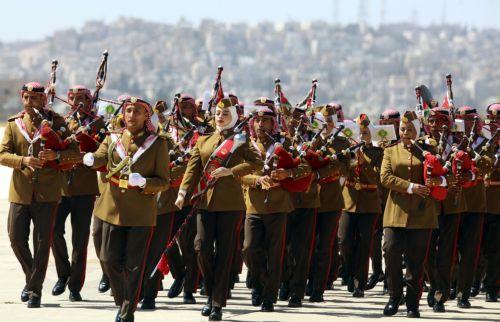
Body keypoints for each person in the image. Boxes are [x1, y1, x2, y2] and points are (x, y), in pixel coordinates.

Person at [174, 96, 263, 321]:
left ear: (232, 117)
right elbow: (192, 169)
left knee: (224, 252)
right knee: (201, 247)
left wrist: (231, 171)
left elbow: (257, 163)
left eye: (225, 114)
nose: (220, 117)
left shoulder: (241, 140)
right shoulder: (203, 140)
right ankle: (212, 291)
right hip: (204, 201)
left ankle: (216, 302)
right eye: (217, 114)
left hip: (230, 203)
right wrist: (183, 193)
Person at [83, 96, 170, 322]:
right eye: (128, 111)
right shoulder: (113, 138)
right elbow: (102, 156)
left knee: (134, 265)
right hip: (112, 208)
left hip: (140, 212)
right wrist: (92, 158)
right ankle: (124, 301)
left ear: (145, 117)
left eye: (137, 112)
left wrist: (145, 183)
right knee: (108, 259)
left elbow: (163, 181)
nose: (131, 115)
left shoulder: (158, 144)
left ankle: (127, 310)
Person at [0, 82, 80, 308]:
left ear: (44, 99)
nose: (29, 102)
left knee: (43, 243)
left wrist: (56, 155)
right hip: (20, 192)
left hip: (47, 193)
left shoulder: (58, 122)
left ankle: (35, 292)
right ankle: (32, 279)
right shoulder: (14, 124)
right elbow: (2, 154)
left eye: (34, 98)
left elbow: (75, 154)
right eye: (25, 97)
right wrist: (22, 161)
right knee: (16, 238)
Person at [241, 98, 310, 312]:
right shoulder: (245, 145)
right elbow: (239, 173)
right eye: (257, 120)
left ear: (273, 123)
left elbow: (305, 167)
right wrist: (257, 180)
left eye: (266, 121)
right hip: (253, 205)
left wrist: (287, 173)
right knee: (250, 249)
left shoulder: (285, 144)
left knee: (275, 252)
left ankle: (269, 296)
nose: (261, 124)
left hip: (279, 206)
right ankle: (259, 284)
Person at [380, 111, 439, 318]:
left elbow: (442, 176)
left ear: (418, 131)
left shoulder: (428, 151)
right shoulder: (390, 151)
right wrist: (411, 187)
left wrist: (436, 182)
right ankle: (395, 296)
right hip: (396, 211)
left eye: (411, 129)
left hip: (422, 214)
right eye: (403, 129)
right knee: (390, 251)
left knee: (416, 261)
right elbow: (385, 178)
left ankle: (412, 304)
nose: (406, 132)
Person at [51, 85, 105, 301]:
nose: (78, 102)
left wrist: (88, 142)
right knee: (54, 230)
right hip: (62, 186)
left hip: (84, 187)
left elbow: (102, 150)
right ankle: (63, 274)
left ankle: (75, 285)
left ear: (90, 101)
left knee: (80, 238)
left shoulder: (99, 123)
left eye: (82, 98)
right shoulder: (63, 121)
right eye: (74, 98)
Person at [307, 105, 350, 302]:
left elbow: (343, 167)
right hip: (309, 199)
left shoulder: (341, 143)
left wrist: (321, 173)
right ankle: (307, 281)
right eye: (322, 123)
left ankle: (319, 287)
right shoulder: (312, 141)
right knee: (307, 245)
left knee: (324, 246)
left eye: (329, 122)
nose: (326, 126)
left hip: (331, 200)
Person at [338, 114, 383, 297]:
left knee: (365, 244)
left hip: (368, 203)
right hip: (348, 201)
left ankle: (359, 283)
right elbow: (340, 171)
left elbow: (378, 178)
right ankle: (348, 271)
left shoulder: (377, 153)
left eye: (365, 133)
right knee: (344, 240)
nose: (362, 136)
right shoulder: (347, 149)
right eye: (359, 133)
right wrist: (346, 157)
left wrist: (364, 163)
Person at [452, 106, 493, 308]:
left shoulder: (486, 143)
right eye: (461, 119)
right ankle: (450, 283)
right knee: (449, 249)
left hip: (475, 204)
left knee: (469, 251)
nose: (466, 123)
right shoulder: (449, 143)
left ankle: (463, 293)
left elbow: (488, 164)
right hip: (452, 203)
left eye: (469, 120)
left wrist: (474, 170)